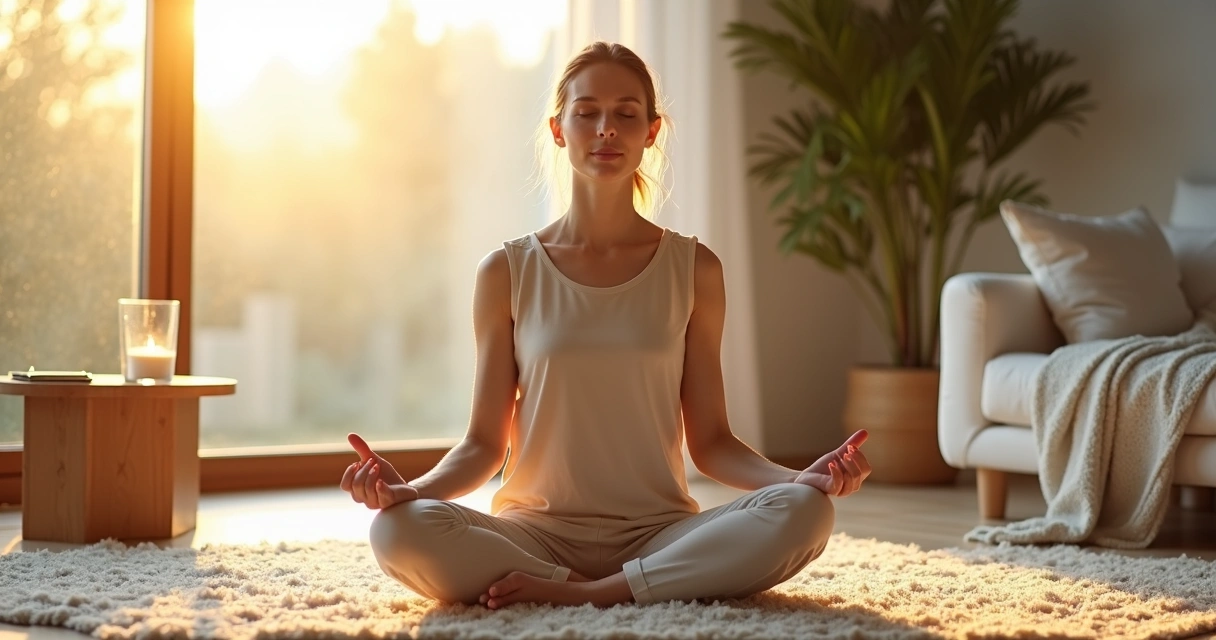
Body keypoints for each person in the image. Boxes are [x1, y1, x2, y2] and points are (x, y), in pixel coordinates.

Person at [339, 41, 872, 610]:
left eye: (626, 113)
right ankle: (614, 588)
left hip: (659, 534)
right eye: (587, 112)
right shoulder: (506, 270)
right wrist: (409, 492)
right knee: (396, 529)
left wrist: (797, 479)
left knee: (807, 511)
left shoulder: (695, 269)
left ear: (651, 130)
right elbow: (483, 445)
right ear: (558, 129)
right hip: (532, 536)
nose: (607, 129)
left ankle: (592, 593)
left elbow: (713, 443)